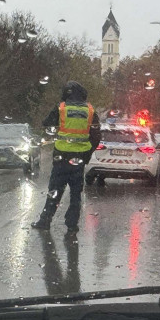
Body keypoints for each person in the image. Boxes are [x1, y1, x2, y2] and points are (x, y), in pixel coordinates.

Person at [31, 81, 101, 233]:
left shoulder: (61, 108)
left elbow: (46, 123)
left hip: (61, 158)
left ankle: (45, 220)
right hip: (79, 159)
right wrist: (86, 154)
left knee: (54, 190)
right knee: (76, 193)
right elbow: (96, 136)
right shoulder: (90, 111)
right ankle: (72, 225)